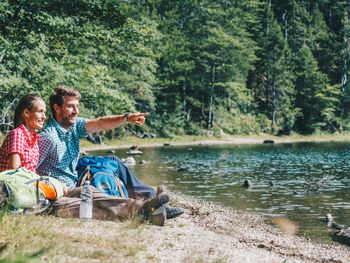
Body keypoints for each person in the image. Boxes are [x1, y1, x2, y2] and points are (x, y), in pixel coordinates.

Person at [37, 86, 183, 221]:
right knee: (96, 197)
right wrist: (52, 188)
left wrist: (126, 118)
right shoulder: (48, 137)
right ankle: (147, 209)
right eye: (70, 106)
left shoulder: (74, 126)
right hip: (62, 188)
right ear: (56, 108)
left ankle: (152, 198)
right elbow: (29, 171)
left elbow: (100, 123)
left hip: (74, 175)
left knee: (112, 160)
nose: (76, 111)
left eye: (77, 106)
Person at [0, 94, 46, 172]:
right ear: (26, 113)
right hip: (11, 183)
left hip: (26, 182)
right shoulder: (17, 134)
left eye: (44, 112)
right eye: (40, 111)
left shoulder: (34, 138)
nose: (44, 117)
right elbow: (15, 172)